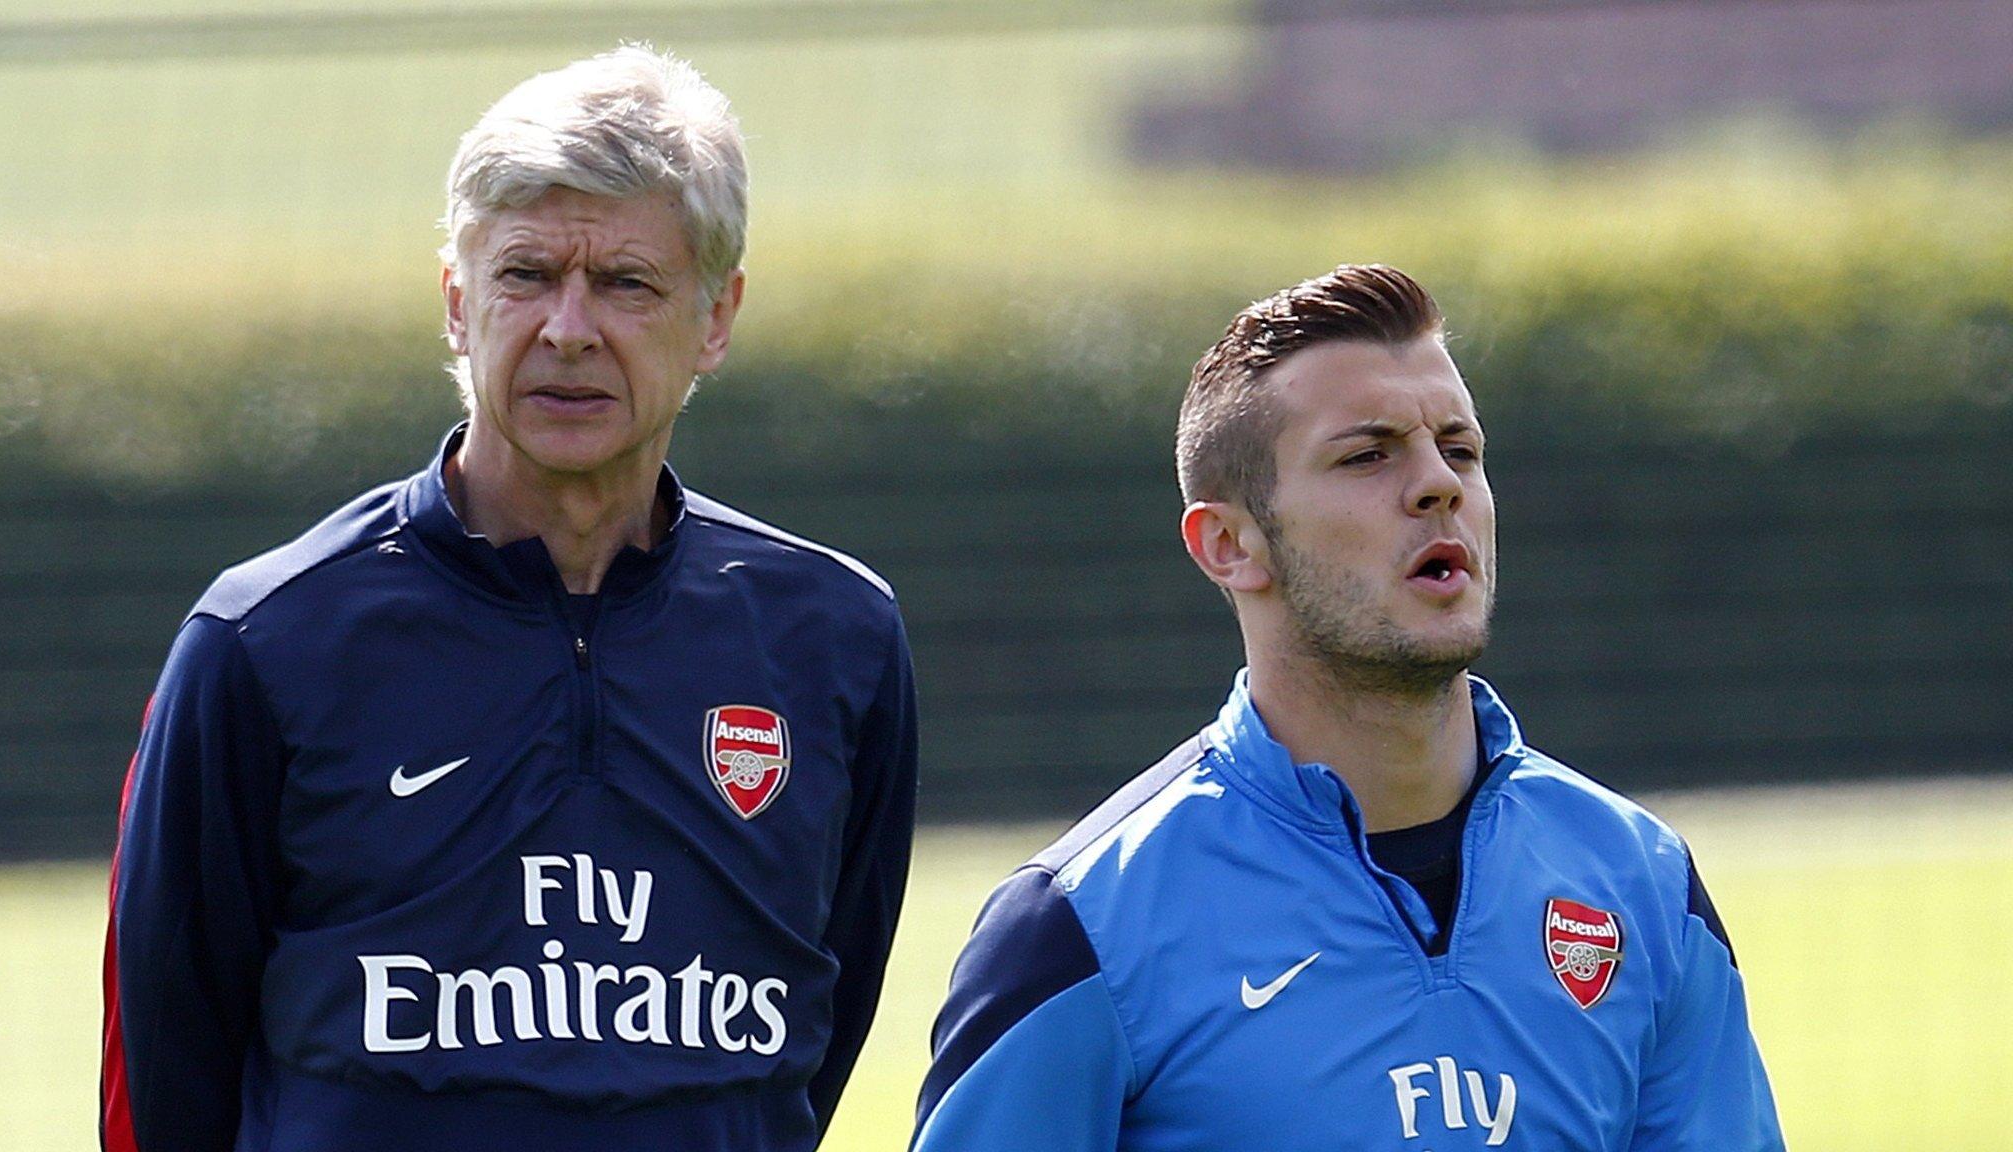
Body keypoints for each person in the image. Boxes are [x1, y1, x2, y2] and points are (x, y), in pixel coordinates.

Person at [100, 45, 916, 1152]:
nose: (569, 329)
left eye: (627, 284)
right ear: (456, 301)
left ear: (715, 317)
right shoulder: (264, 641)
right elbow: (160, 1086)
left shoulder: (836, 641)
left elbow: (809, 1048)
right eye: (525, 274)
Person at [912, 265, 1781, 1150]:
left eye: (1461, 449)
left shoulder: (1639, 882)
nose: (1438, 484)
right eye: (1368, 454)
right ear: (1229, 544)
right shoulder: (1081, 927)